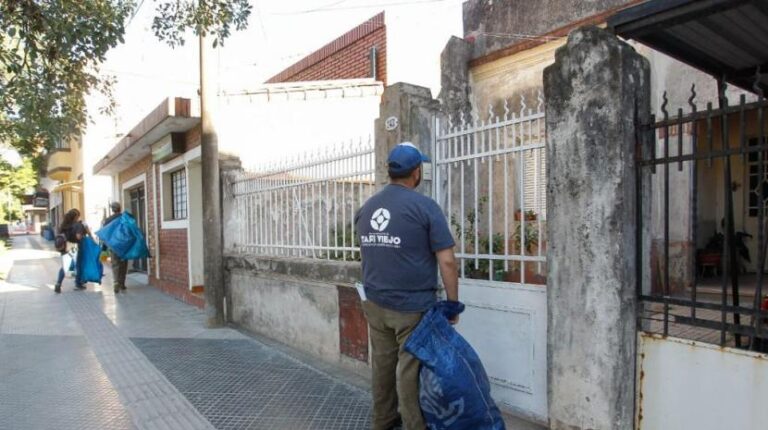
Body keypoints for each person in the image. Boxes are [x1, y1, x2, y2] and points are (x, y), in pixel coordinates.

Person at [355, 142, 459, 430]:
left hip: (374, 303)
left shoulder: (367, 208)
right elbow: (447, 261)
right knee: (409, 370)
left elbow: (370, 252)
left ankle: (383, 420)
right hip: (411, 308)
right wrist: (452, 304)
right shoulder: (425, 207)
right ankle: (414, 425)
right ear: (416, 172)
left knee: (383, 365)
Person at [54, 208, 88, 293]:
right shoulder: (77, 225)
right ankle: (78, 284)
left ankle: (58, 283)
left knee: (65, 266)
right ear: (76, 216)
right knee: (78, 265)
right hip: (73, 246)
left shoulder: (63, 225)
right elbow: (78, 237)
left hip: (64, 246)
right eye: (78, 216)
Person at [101, 202, 130, 294]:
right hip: (124, 244)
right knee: (123, 264)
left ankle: (116, 281)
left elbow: (105, 234)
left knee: (115, 264)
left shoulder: (108, 220)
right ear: (120, 208)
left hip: (113, 245)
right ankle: (122, 283)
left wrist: (104, 247)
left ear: (112, 209)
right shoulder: (125, 218)